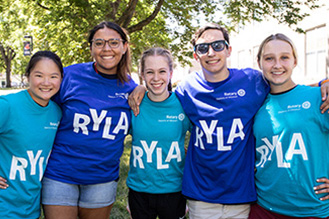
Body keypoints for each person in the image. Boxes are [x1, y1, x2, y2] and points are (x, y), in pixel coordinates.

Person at [41, 21, 139, 219]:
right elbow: (32, 112)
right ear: (91, 48)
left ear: (124, 46)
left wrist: (143, 88)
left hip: (102, 178)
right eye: (99, 43)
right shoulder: (69, 75)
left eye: (113, 42)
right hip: (60, 173)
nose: (106, 49)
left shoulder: (131, 88)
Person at [249, 33, 329, 218]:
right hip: (263, 208)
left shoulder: (319, 97)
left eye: (284, 57)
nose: (277, 65)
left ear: (295, 61)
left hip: (312, 211)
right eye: (269, 58)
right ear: (259, 62)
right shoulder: (255, 105)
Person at [126, 47, 191, 219]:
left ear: (171, 72)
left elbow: (203, 139)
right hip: (139, 191)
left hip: (174, 191)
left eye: (162, 71)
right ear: (142, 74)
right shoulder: (133, 104)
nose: (156, 78)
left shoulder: (183, 104)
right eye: (149, 72)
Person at [0, 51, 63, 218]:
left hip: (30, 208)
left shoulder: (56, 112)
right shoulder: (7, 106)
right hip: (4, 206)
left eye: (53, 76)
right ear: (27, 76)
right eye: (39, 75)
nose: (46, 82)